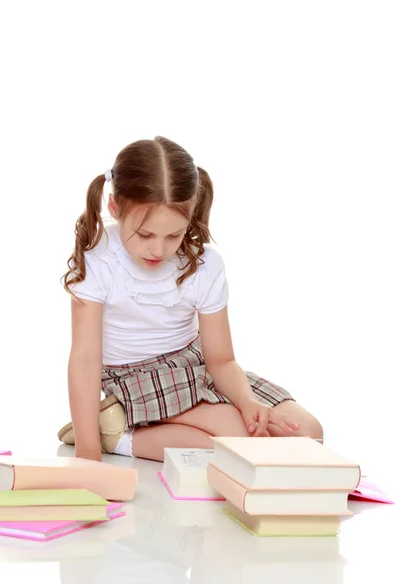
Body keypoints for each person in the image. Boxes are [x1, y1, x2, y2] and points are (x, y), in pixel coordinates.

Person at [57, 136, 323, 462]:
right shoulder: (99, 260)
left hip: (193, 365)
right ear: (114, 208)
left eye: (174, 235)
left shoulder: (204, 265)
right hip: (133, 374)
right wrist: (87, 455)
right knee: (242, 444)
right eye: (145, 235)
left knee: (308, 434)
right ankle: (112, 436)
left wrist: (247, 401)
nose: (158, 249)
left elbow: (221, 359)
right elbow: (84, 359)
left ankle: (119, 423)